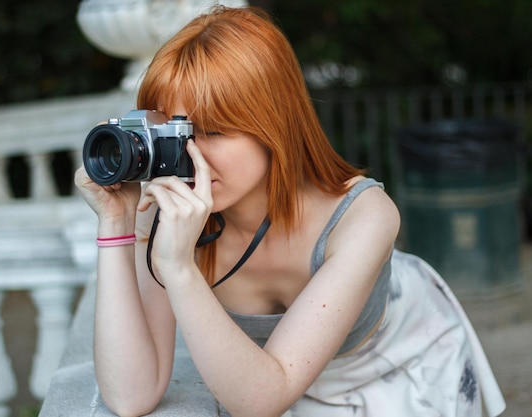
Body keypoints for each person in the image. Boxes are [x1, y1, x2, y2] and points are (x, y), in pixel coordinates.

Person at [74, 6, 506, 417]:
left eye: (213, 130)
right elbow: (131, 395)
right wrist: (117, 224)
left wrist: (180, 269)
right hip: (276, 384)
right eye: (174, 131)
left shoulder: (364, 216)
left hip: (407, 367)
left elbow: (263, 401)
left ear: (273, 123)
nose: (189, 155)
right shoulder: (174, 214)